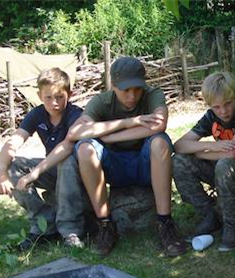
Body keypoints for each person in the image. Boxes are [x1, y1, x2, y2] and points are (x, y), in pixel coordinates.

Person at [68, 56, 184, 257]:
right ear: (114, 86)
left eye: (137, 89)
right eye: (126, 90)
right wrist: (128, 123)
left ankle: (165, 222)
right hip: (114, 166)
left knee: (160, 141)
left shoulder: (152, 95)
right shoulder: (101, 102)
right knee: (84, 149)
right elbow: (75, 132)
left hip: (145, 164)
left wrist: (110, 137)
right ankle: (105, 224)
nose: (132, 96)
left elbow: (159, 124)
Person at [0, 67, 87, 250]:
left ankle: (70, 231)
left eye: (60, 97)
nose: (55, 103)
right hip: (51, 170)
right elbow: (14, 141)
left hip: (76, 174)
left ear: (70, 93)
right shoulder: (37, 114)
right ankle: (44, 223)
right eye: (48, 97)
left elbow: (67, 147)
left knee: (66, 160)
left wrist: (34, 173)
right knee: (13, 166)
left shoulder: (76, 114)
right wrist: (0, 172)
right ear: (39, 95)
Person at [173, 72, 235, 251]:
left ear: (234, 98)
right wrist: (212, 146)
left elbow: (233, 153)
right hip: (222, 167)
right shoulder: (211, 117)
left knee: (224, 164)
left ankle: (232, 227)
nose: (223, 111)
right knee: (178, 161)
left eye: (228, 104)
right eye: (216, 107)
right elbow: (179, 145)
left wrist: (201, 153)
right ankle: (209, 215)